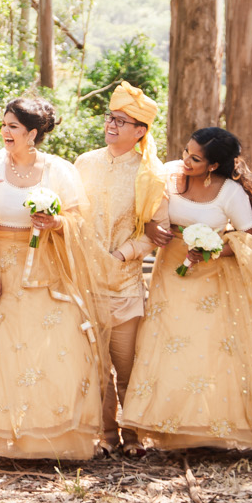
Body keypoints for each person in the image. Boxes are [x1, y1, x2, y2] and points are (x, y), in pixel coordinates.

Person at [118, 126, 252, 473]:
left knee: (210, 349)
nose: (185, 160)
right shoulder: (169, 176)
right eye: (185, 151)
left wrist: (215, 251)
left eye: (195, 158)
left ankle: (211, 426)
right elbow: (149, 216)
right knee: (167, 343)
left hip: (214, 281)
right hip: (171, 275)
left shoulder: (230, 193)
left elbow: (247, 239)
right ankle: (169, 426)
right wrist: (153, 229)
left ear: (213, 166)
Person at [0, 97, 108, 460]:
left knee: (55, 345)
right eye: (4, 125)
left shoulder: (58, 170)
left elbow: (80, 220)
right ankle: (2, 437)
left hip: (47, 267)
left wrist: (56, 223)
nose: (5, 132)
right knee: (0, 348)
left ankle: (48, 440)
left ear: (33, 134)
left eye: (13, 127)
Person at [72, 81, 168, 449]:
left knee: (127, 368)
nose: (111, 125)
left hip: (124, 284)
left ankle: (134, 435)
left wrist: (122, 254)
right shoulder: (85, 162)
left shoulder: (151, 174)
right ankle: (107, 434)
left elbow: (156, 232)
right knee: (95, 369)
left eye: (121, 121)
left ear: (140, 131)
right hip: (84, 279)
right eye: (110, 118)